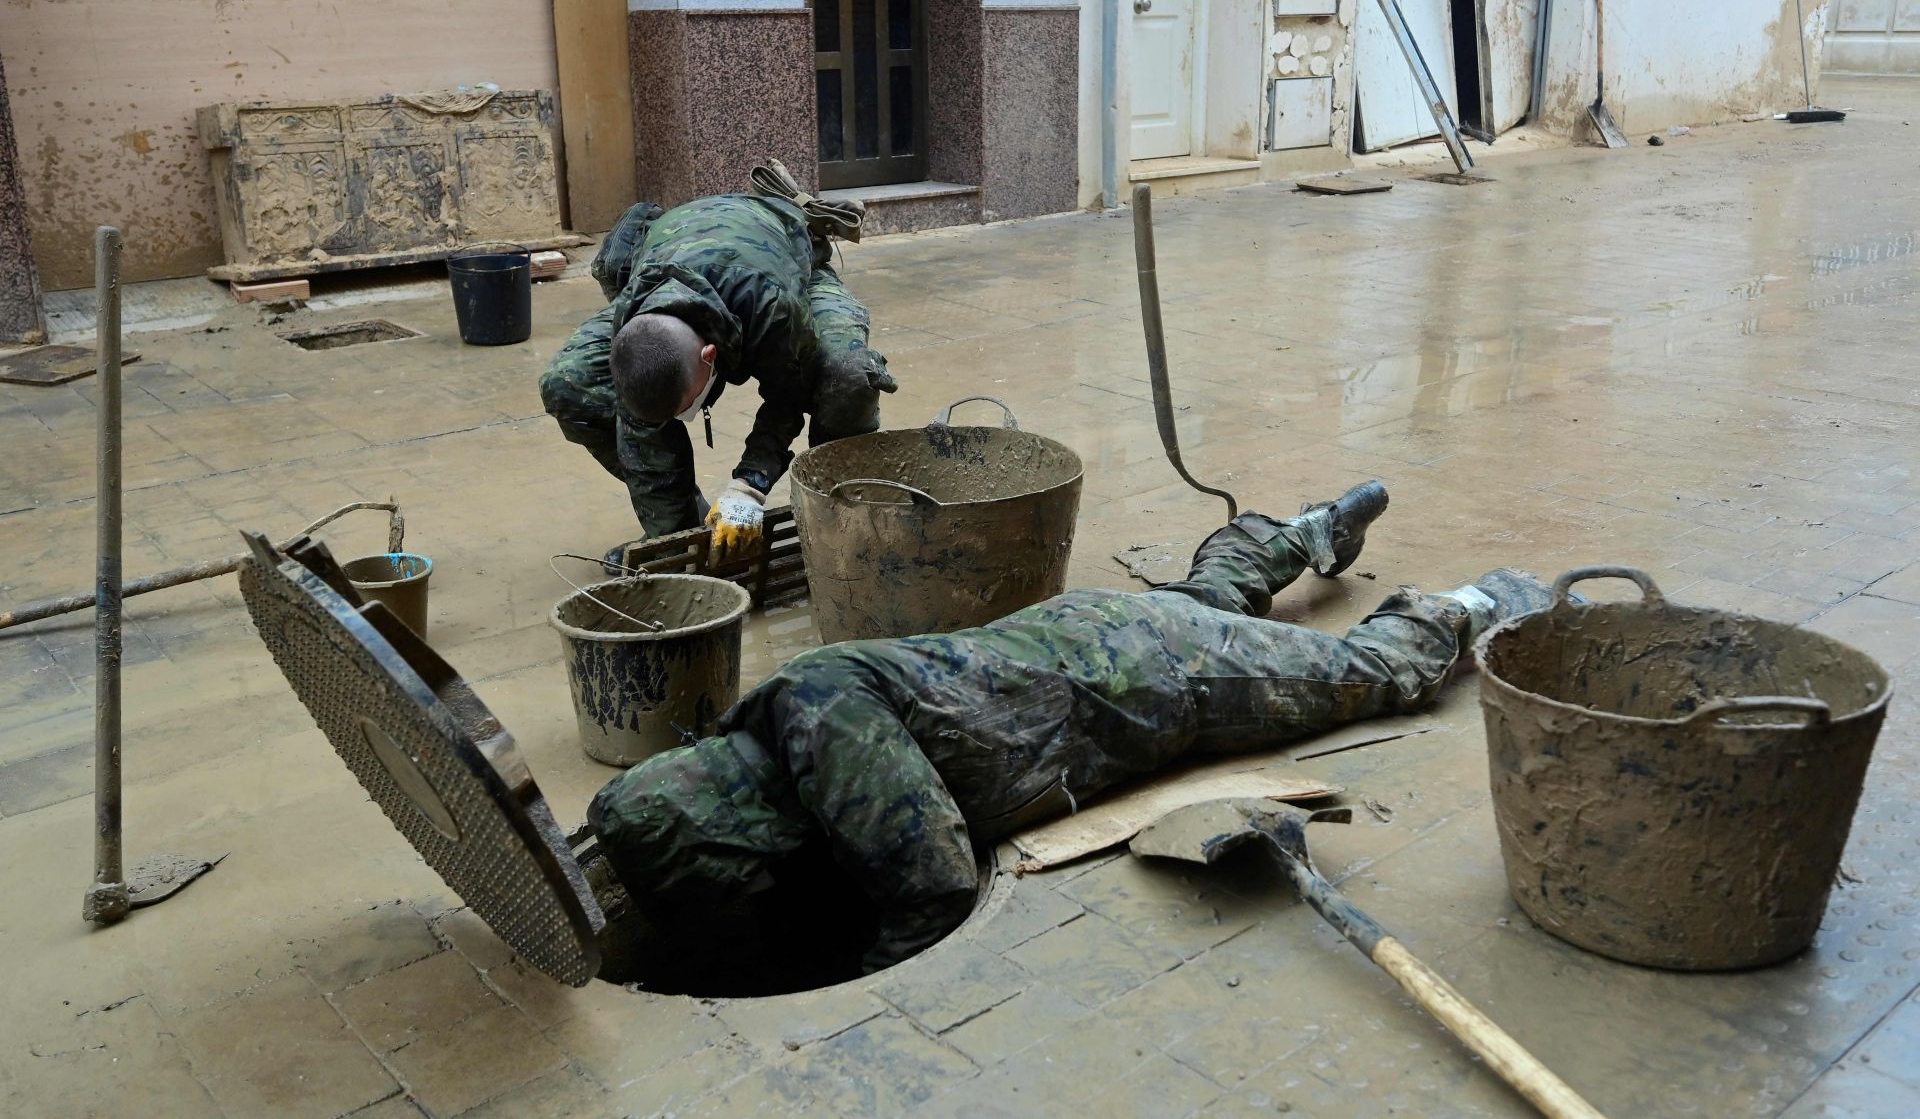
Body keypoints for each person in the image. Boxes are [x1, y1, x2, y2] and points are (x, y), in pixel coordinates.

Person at [584, 480, 1561, 977]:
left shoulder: (828, 717)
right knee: (1200, 601)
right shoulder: (781, 728)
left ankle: (1484, 597)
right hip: (1088, 638)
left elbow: (929, 890)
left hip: (1149, 682)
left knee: (1367, 673)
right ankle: (1298, 538)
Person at [539, 161, 894, 561]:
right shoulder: (634, 304)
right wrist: (671, 538)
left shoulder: (771, 305)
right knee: (570, 383)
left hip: (791, 270)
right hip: (682, 264)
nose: (686, 413)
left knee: (846, 377)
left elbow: (788, 398)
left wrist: (749, 485)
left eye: (687, 404)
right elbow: (639, 415)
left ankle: (838, 523)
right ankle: (679, 532)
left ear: (711, 355)